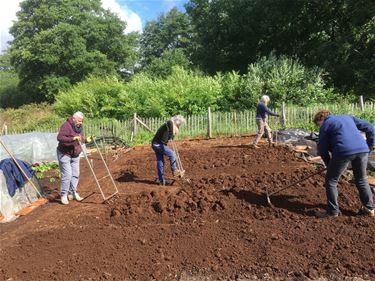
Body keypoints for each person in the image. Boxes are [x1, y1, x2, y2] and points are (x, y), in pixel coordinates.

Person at [314, 110, 375, 217]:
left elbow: (322, 149)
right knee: (361, 179)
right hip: (362, 150)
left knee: (331, 181)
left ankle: (333, 211)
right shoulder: (348, 117)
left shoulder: (325, 125)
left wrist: (329, 165)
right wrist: (371, 144)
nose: (319, 127)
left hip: (343, 151)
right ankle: (369, 208)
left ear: (321, 119)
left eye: (318, 124)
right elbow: (369, 126)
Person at [57, 112, 92, 205]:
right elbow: (60, 137)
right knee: (67, 175)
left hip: (75, 153)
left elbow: (80, 138)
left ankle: (73, 192)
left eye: (82, 121)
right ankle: (64, 195)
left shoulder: (79, 127)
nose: (81, 123)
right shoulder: (66, 126)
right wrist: (72, 139)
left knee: (76, 174)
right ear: (74, 119)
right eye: (79, 121)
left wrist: (86, 140)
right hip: (65, 153)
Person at [151, 115, 186, 186]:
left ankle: (161, 180)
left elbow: (169, 134)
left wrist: (171, 136)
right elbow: (170, 130)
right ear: (177, 122)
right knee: (172, 154)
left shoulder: (169, 125)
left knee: (160, 161)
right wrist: (171, 135)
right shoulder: (170, 122)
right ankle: (174, 171)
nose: (179, 126)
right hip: (158, 145)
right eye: (179, 124)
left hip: (156, 144)